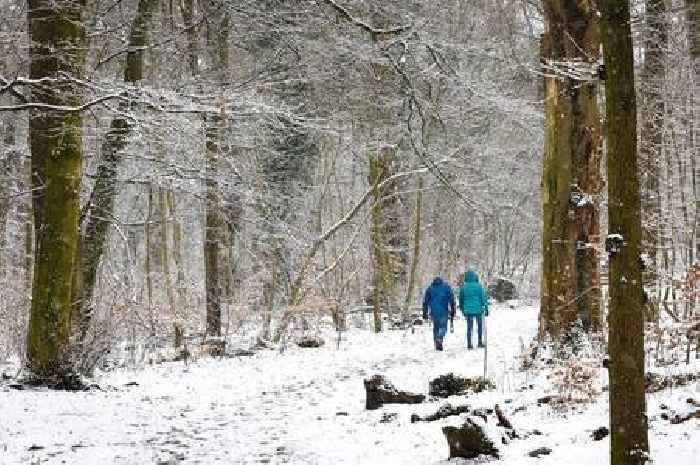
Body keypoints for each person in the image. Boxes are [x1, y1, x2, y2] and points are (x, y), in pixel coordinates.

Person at [422, 277, 456, 351]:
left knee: (436, 328)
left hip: (433, 312)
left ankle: (437, 345)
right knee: (443, 327)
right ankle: (439, 338)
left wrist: (425, 312)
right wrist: (453, 309)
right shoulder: (446, 287)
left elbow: (425, 301)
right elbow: (451, 299)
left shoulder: (430, 288)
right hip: (443, 311)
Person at [459, 269, 489, 349]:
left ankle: (469, 344)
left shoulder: (463, 287)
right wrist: (486, 308)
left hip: (468, 310)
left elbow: (461, 299)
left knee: (469, 327)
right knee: (479, 326)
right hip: (478, 309)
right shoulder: (479, 286)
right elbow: (483, 298)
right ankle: (479, 342)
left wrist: (462, 309)